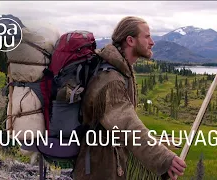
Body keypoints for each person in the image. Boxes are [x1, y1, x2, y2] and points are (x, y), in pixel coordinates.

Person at [74, 16, 186, 180]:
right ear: (130, 40)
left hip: (106, 161)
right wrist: (163, 159)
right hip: (100, 168)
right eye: (147, 36)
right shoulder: (110, 80)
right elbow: (127, 127)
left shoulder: (119, 71)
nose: (152, 42)